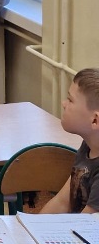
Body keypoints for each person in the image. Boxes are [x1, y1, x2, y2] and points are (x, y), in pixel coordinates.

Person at [42, 69, 99, 215]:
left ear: (95, 120)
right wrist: (32, 225)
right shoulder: (88, 146)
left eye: (70, 100)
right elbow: (62, 202)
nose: (63, 104)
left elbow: (86, 224)